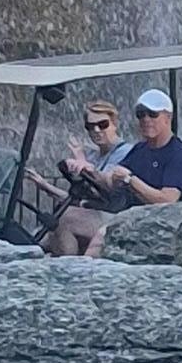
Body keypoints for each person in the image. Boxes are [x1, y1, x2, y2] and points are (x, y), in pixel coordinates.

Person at [43, 97, 138, 257]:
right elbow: (81, 192)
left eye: (102, 125)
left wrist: (84, 164)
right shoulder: (93, 155)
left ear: (114, 123)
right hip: (94, 212)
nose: (96, 130)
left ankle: (69, 267)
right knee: (46, 233)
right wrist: (42, 184)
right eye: (90, 126)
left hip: (119, 216)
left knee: (64, 218)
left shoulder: (127, 152)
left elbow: (107, 183)